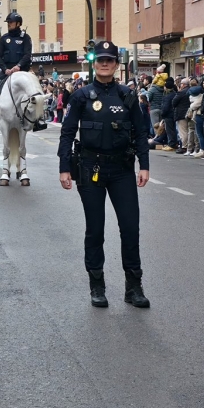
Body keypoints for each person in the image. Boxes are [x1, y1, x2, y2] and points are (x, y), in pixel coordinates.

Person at [57, 41, 151, 308]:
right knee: (95, 230)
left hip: (122, 170)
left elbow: (141, 133)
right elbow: (67, 133)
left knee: (130, 228)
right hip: (90, 169)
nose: (105, 64)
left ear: (117, 65)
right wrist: (65, 167)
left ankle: (133, 287)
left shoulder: (127, 96)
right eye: (101, 60)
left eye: (110, 60)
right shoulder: (81, 96)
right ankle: (97, 286)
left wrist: (144, 165)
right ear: (94, 63)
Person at [0, 12, 32, 128]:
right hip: (6, 71)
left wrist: (18, 66)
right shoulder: (4, 39)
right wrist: (5, 69)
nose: (9, 24)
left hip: (22, 71)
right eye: (8, 22)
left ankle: (38, 120)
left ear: (18, 23)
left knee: (36, 92)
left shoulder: (25, 38)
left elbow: (27, 54)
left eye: (11, 22)